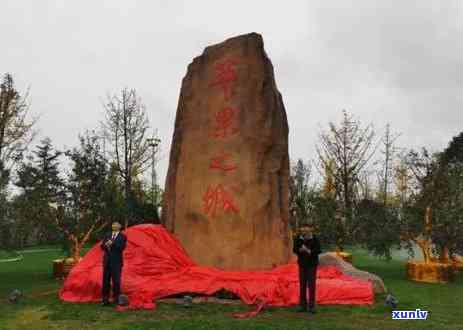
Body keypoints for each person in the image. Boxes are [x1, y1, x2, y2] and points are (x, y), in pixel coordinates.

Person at [293, 224, 321, 314]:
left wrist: (309, 251)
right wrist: (300, 250)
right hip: (302, 265)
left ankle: (312, 306)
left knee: (311, 285)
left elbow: (318, 250)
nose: (304, 230)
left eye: (306, 228)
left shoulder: (315, 238)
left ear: (310, 229)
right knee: (302, 285)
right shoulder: (298, 238)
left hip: (312, 265)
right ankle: (302, 305)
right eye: (303, 228)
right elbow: (294, 249)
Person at [101, 221, 127, 306]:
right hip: (107, 262)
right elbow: (102, 246)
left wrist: (113, 243)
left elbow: (121, 247)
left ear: (120, 226)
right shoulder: (107, 235)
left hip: (116, 263)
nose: (114, 226)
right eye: (113, 224)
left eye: (116, 224)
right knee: (105, 281)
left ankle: (116, 299)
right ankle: (105, 300)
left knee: (116, 282)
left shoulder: (122, 236)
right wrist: (106, 245)